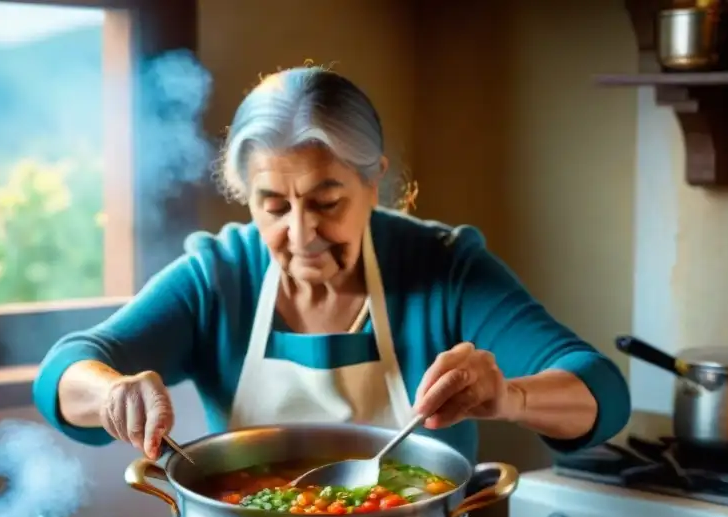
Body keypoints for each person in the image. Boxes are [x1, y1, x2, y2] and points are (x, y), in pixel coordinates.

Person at [33, 66, 631, 463]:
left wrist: (511, 399)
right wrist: (113, 392)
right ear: (246, 197)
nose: (301, 233)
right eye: (273, 206)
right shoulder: (219, 277)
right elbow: (64, 370)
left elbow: (601, 391)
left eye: (327, 202)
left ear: (375, 183)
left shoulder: (443, 268)